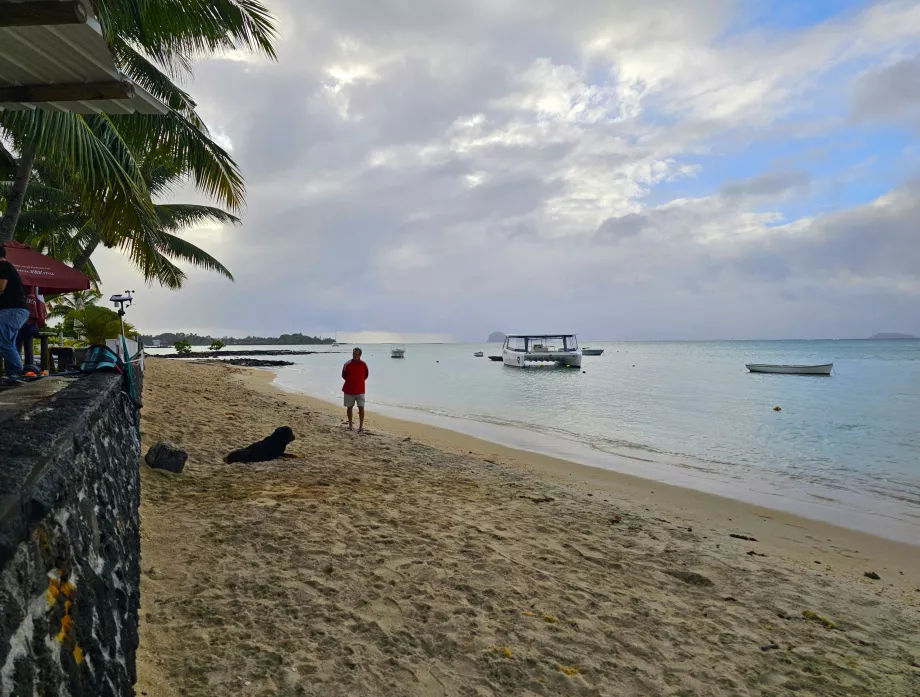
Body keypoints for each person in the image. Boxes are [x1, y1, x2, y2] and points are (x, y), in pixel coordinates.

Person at [0, 247, 30, 382]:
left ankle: (16, 372)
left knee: (3, 341)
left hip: (11, 310)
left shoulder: (3, 266)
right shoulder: (8, 267)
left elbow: (0, 288)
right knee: (8, 343)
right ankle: (13, 373)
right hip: (15, 311)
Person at [342, 347, 369, 432]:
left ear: (360, 355)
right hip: (349, 390)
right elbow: (344, 375)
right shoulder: (347, 364)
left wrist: (359, 381)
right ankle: (350, 425)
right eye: (353, 354)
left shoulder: (364, 364)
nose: (355, 356)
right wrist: (351, 381)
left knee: (361, 407)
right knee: (349, 407)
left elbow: (366, 375)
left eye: (356, 354)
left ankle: (361, 426)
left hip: (360, 390)